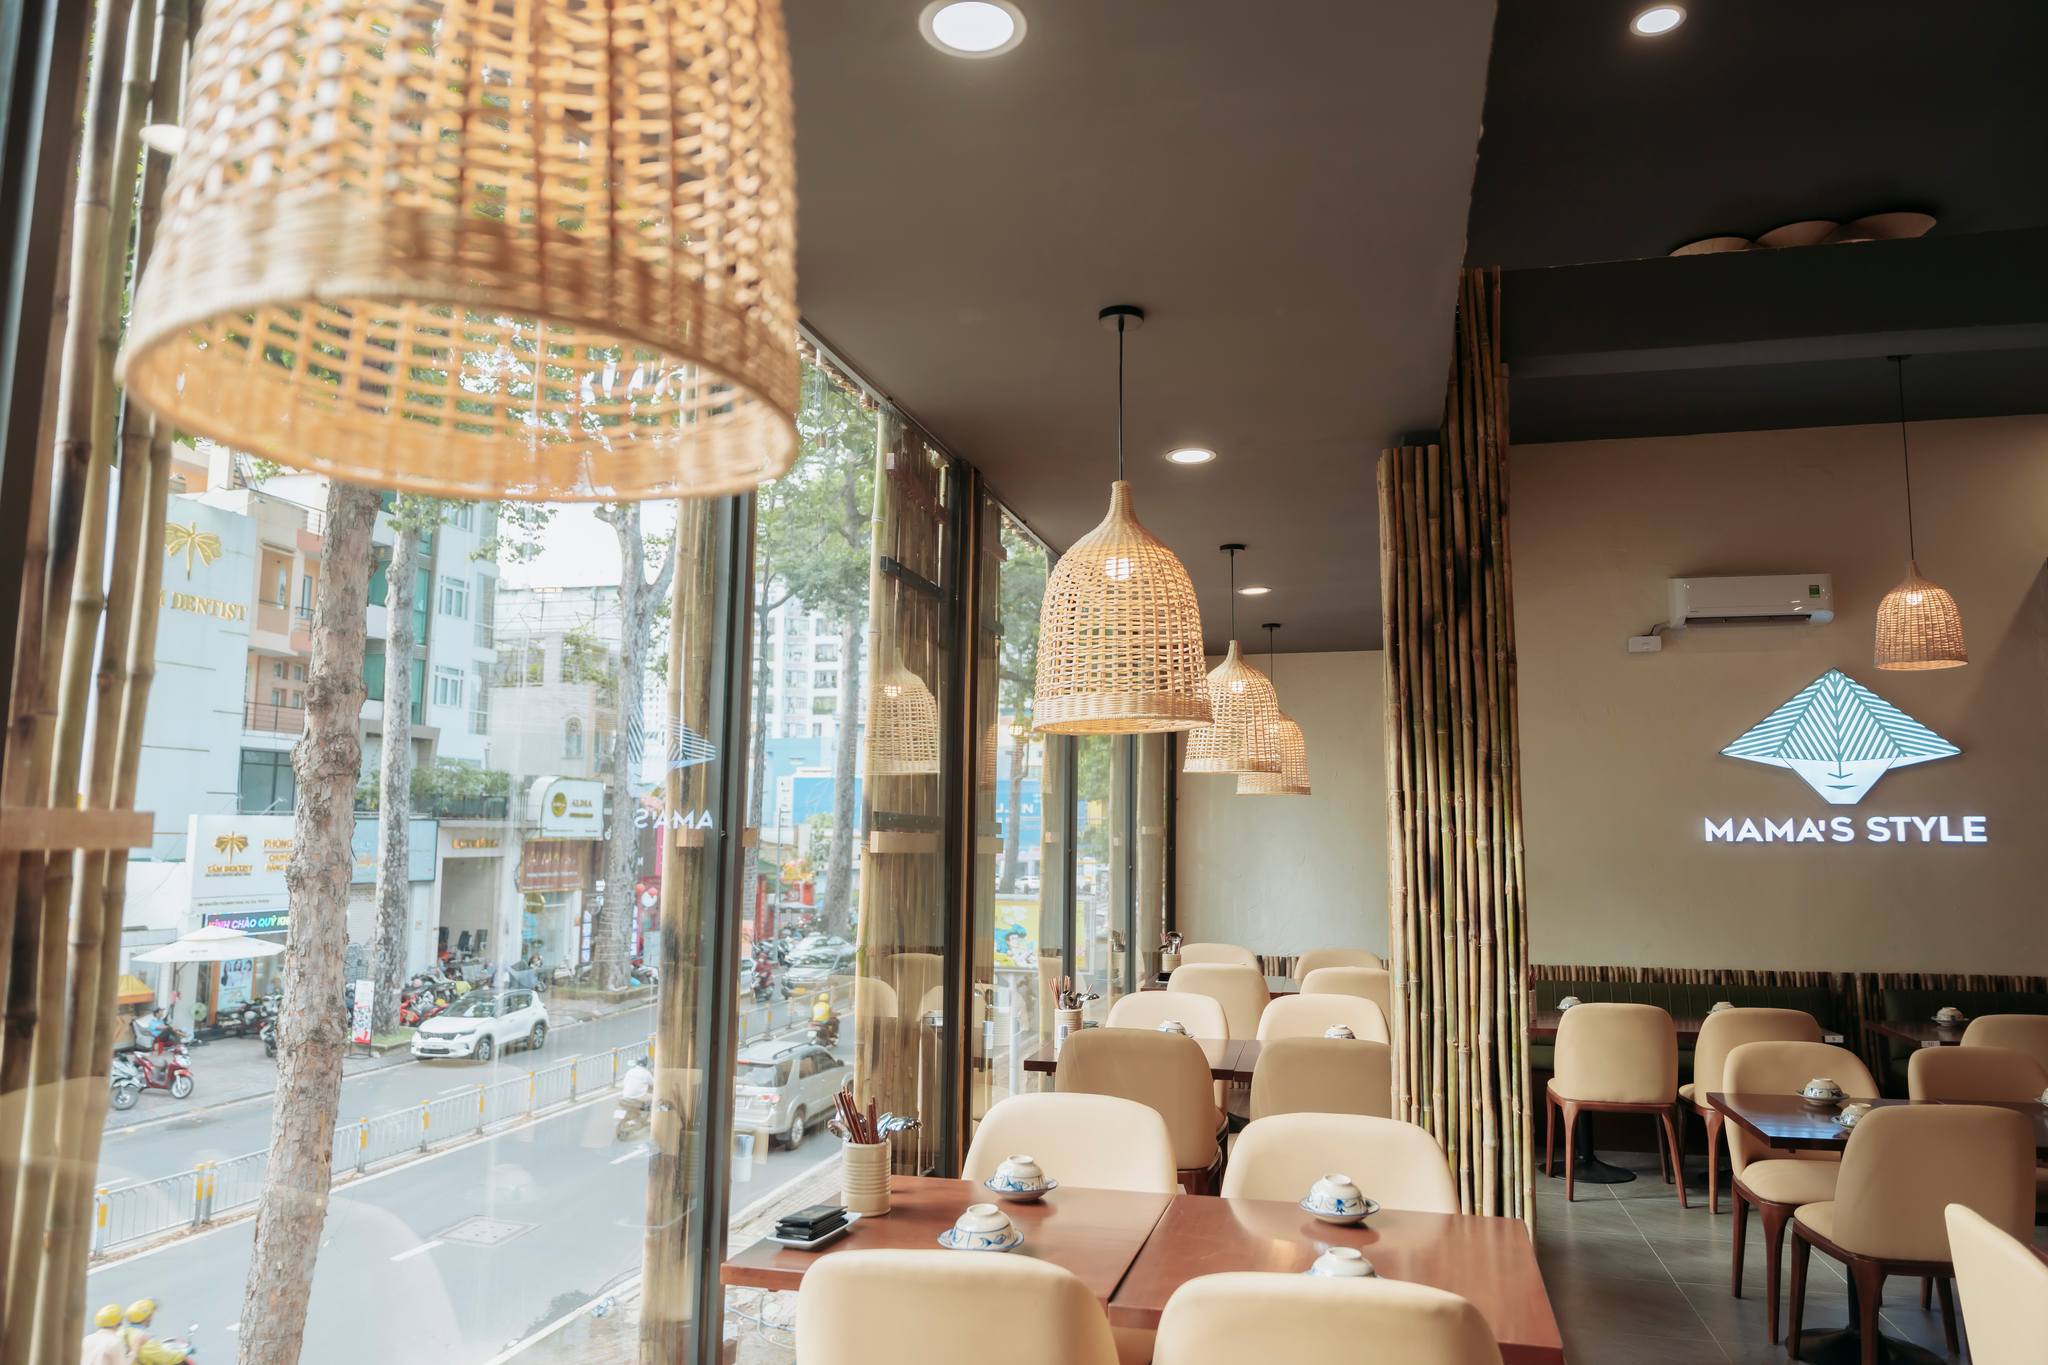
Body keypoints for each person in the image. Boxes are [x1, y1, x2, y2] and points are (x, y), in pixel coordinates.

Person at [118, 1299, 189, 1364]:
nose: (152, 1316)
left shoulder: (125, 1332)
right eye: (151, 1314)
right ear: (147, 1317)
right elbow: (164, 1358)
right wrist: (184, 1353)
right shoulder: (144, 1338)